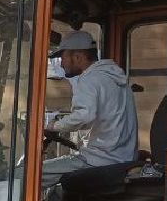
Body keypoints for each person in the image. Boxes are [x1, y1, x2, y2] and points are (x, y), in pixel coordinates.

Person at [41, 30, 138, 189]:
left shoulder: (89, 79)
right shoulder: (116, 79)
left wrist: (53, 126)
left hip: (98, 161)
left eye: (63, 58)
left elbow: (84, 116)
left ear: (78, 57)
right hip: (121, 159)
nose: (62, 64)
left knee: (27, 174)